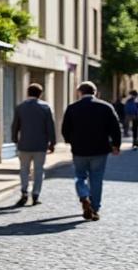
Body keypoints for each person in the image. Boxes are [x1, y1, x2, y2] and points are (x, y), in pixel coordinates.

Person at [60, 81, 122, 221]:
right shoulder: (106, 107)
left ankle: (83, 195)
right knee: (96, 178)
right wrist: (116, 145)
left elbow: (65, 129)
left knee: (79, 176)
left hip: (79, 149)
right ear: (95, 92)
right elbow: (115, 127)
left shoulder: (72, 108)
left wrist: (70, 141)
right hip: (99, 149)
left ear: (80, 92)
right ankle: (94, 208)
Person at [11, 83, 55, 207]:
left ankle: (24, 191)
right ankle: (35, 194)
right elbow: (50, 126)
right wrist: (52, 142)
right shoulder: (45, 107)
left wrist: (15, 139)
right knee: (38, 170)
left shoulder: (20, 107)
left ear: (28, 93)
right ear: (40, 94)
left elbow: (15, 125)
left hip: (24, 144)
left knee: (24, 169)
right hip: (40, 145)